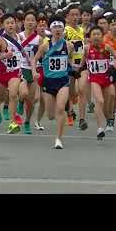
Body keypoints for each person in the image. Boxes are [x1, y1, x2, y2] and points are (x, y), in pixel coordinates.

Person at [32, 16, 75, 149]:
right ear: (51, 30)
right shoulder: (45, 45)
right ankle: (59, 112)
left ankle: (58, 139)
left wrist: (72, 68)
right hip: (48, 82)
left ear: (63, 30)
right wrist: (34, 72)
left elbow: (69, 60)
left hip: (63, 81)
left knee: (61, 108)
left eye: (60, 27)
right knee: (50, 115)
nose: (58, 30)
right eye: (55, 27)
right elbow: (34, 59)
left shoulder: (69, 45)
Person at [80, 25, 116, 140]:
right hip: (94, 79)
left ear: (102, 36)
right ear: (90, 37)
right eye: (94, 34)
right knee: (99, 100)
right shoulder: (87, 48)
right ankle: (100, 128)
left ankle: (110, 118)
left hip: (107, 78)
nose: (96, 36)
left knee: (112, 96)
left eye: (98, 34)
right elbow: (83, 60)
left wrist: (114, 66)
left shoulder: (107, 47)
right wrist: (79, 69)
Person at [0, 13, 24, 134]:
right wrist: (5, 55)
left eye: (12, 23)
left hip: (15, 72)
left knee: (13, 94)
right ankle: (6, 110)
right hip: (2, 73)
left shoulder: (20, 37)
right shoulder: (0, 40)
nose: (10, 25)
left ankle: (12, 122)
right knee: (2, 98)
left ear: (16, 24)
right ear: (3, 25)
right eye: (7, 23)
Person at [17, 10, 42, 134]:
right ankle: (20, 102)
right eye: (28, 20)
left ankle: (27, 122)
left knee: (32, 101)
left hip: (33, 70)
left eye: (33, 20)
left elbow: (43, 55)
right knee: (24, 93)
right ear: (23, 22)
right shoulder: (19, 36)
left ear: (36, 23)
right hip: (21, 68)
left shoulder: (39, 39)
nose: (30, 22)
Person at [64, 4, 88, 129]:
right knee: (71, 91)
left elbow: (84, 46)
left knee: (82, 89)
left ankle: (82, 119)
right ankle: (70, 111)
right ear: (67, 17)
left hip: (82, 64)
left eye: (77, 15)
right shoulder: (65, 31)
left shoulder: (81, 30)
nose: (75, 17)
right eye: (72, 15)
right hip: (69, 65)